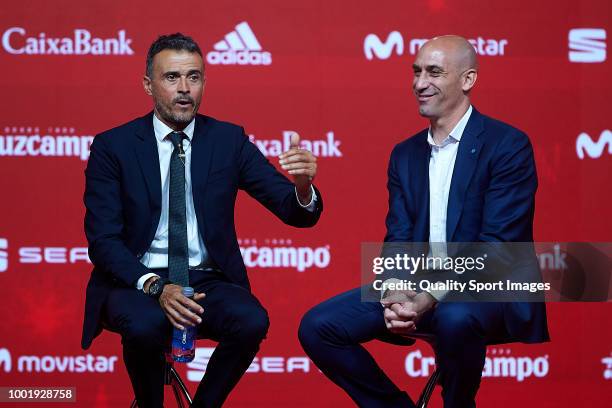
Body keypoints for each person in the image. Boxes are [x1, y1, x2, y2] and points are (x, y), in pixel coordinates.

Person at [298, 35, 548, 408]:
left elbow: (496, 247)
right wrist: (398, 288)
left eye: (433, 72)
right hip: (420, 289)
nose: (419, 83)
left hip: (492, 290)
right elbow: (399, 234)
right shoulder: (405, 154)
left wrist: (429, 297)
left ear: (468, 80)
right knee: (319, 326)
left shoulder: (508, 145)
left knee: (454, 314)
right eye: (416, 72)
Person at [81, 33, 323, 408]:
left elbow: (292, 211)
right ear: (148, 84)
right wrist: (156, 287)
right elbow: (103, 241)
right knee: (145, 326)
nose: (184, 89)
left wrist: (303, 187)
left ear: (204, 83)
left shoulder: (228, 140)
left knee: (251, 320)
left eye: (193, 77)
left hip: (205, 279)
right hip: (135, 279)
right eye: (172, 77)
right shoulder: (114, 146)